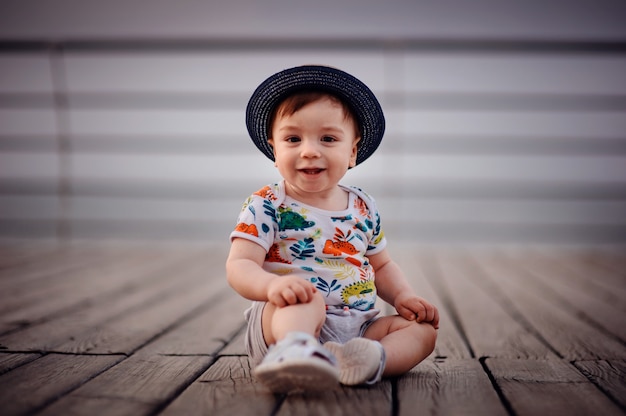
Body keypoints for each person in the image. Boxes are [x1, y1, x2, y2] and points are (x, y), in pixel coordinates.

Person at [226, 65, 439, 393]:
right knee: (305, 299)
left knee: (422, 332)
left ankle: (370, 358)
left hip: (359, 326)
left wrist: (403, 296)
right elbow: (239, 265)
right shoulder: (267, 203)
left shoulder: (363, 206)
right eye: (293, 139)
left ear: (352, 151)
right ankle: (295, 351)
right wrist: (270, 287)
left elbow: (381, 265)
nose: (309, 150)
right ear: (275, 150)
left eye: (328, 138)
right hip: (285, 320)